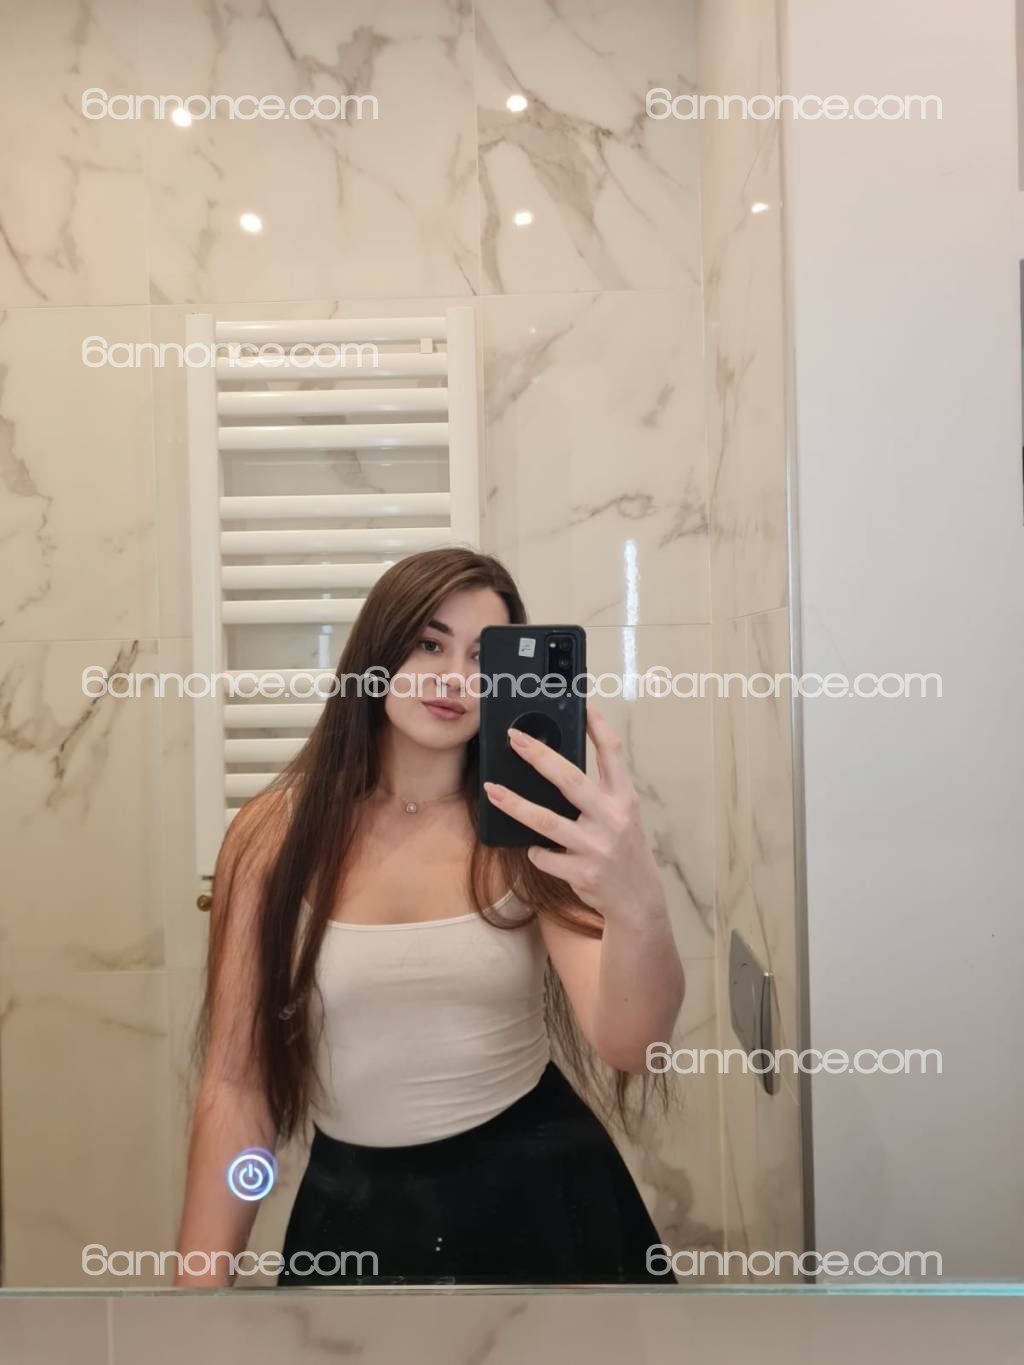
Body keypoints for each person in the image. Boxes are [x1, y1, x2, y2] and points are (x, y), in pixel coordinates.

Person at [174, 547, 685, 1286]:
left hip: (546, 1200)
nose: (454, 678)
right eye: (429, 643)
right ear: (377, 652)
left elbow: (632, 1042)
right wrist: (197, 1290)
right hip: (350, 1210)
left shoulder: (530, 829)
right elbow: (236, 1086)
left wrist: (638, 898)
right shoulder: (271, 838)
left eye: (483, 657)